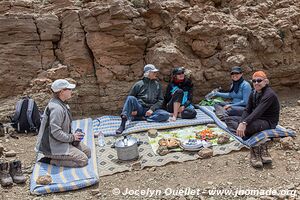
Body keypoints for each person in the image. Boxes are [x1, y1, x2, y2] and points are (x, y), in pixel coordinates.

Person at [224, 71, 280, 168]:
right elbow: (247, 110)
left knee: (245, 127)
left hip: (268, 121)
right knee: (228, 119)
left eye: (259, 80)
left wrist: (244, 123)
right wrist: (242, 122)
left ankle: (257, 146)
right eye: (254, 81)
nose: (256, 83)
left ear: (266, 81)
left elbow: (258, 111)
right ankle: (246, 133)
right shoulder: (253, 92)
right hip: (256, 118)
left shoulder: (269, 94)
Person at [35, 79, 91, 167]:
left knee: (87, 152)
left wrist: (73, 136)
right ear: (62, 92)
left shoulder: (61, 103)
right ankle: (50, 160)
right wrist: (72, 137)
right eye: (69, 89)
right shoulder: (56, 109)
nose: (71, 91)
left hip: (62, 141)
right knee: (83, 160)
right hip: (53, 146)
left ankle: (63, 155)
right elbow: (56, 132)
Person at [116, 64, 170, 134]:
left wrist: (152, 109)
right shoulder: (138, 84)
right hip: (140, 108)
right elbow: (131, 99)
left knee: (165, 115)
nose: (156, 74)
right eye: (153, 72)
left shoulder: (157, 85)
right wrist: (134, 110)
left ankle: (142, 118)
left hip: (151, 110)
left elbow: (160, 100)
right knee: (130, 98)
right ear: (148, 73)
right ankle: (122, 124)